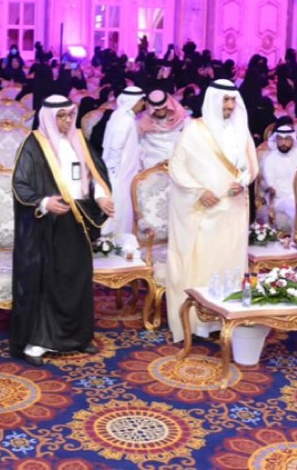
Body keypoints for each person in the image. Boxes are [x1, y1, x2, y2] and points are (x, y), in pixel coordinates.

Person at [10, 95, 114, 365]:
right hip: (46, 224)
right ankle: (38, 343)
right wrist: (44, 202)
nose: (67, 121)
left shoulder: (79, 139)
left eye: (69, 115)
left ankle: (78, 337)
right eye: (61, 116)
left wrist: (101, 196)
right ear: (48, 117)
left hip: (77, 220)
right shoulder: (34, 144)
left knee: (76, 278)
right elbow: (20, 184)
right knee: (47, 281)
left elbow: (94, 174)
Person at [165, 79, 257, 341]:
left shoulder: (241, 129)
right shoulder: (195, 130)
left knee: (229, 263)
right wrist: (197, 191)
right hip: (203, 213)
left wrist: (243, 181)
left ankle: (225, 319)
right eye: (225, 100)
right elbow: (177, 166)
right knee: (203, 266)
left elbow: (250, 165)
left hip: (233, 210)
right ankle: (198, 322)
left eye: (233, 100)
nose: (230, 106)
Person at [101, 86, 146, 236]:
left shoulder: (124, 117)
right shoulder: (124, 120)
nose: (143, 104)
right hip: (119, 174)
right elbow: (115, 148)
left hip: (125, 172)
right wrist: (114, 173)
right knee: (119, 211)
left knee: (125, 210)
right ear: (134, 101)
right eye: (141, 100)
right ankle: (114, 243)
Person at [259, 117, 297, 235]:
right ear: (276, 140)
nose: (283, 143)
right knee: (292, 205)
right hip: (280, 198)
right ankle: (296, 238)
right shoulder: (270, 159)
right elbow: (271, 186)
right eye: (280, 139)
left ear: (293, 140)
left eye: (287, 139)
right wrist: (294, 197)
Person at [139, 89, 188, 169]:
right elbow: (141, 145)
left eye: (163, 108)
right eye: (157, 110)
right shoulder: (143, 121)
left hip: (178, 158)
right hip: (154, 161)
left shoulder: (181, 116)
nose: (161, 112)